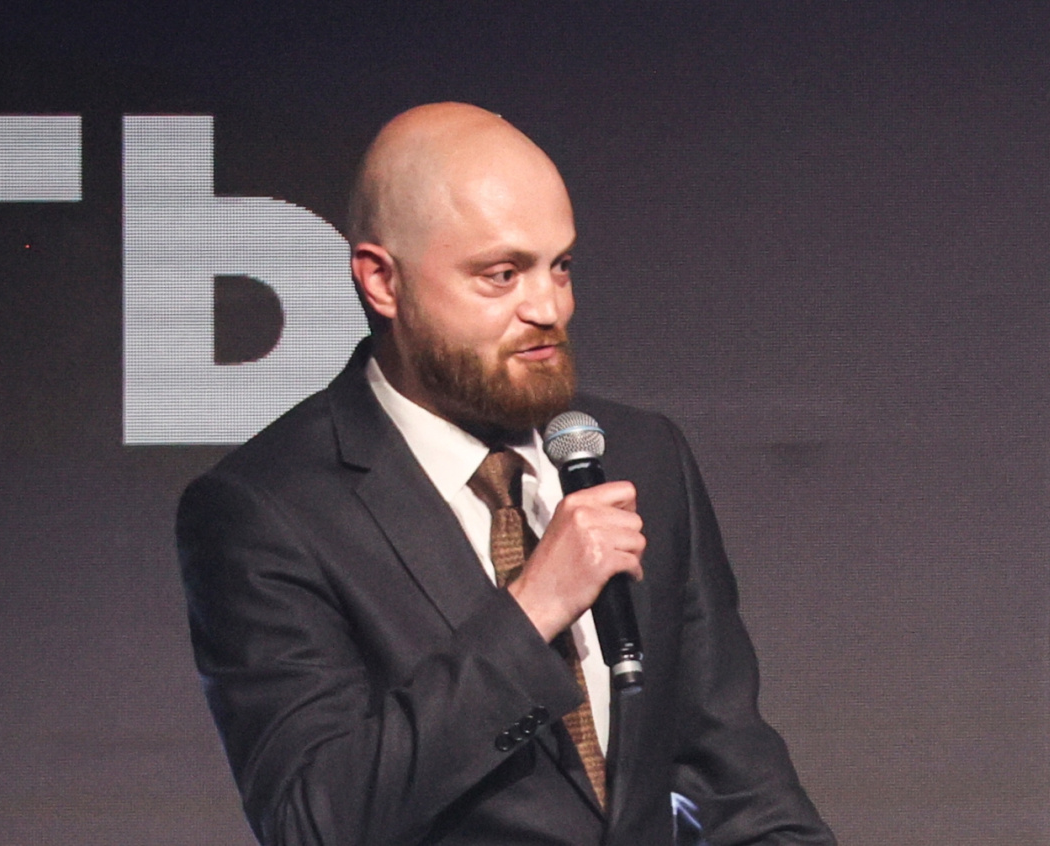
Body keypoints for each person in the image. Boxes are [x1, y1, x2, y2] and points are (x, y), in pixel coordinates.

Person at [177, 102, 836, 846]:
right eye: (502, 275)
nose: (549, 307)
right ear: (382, 281)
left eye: (561, 266)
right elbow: (315, 821)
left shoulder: (640, 454)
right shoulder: (268, 509)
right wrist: (534, 610)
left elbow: (739, 782)